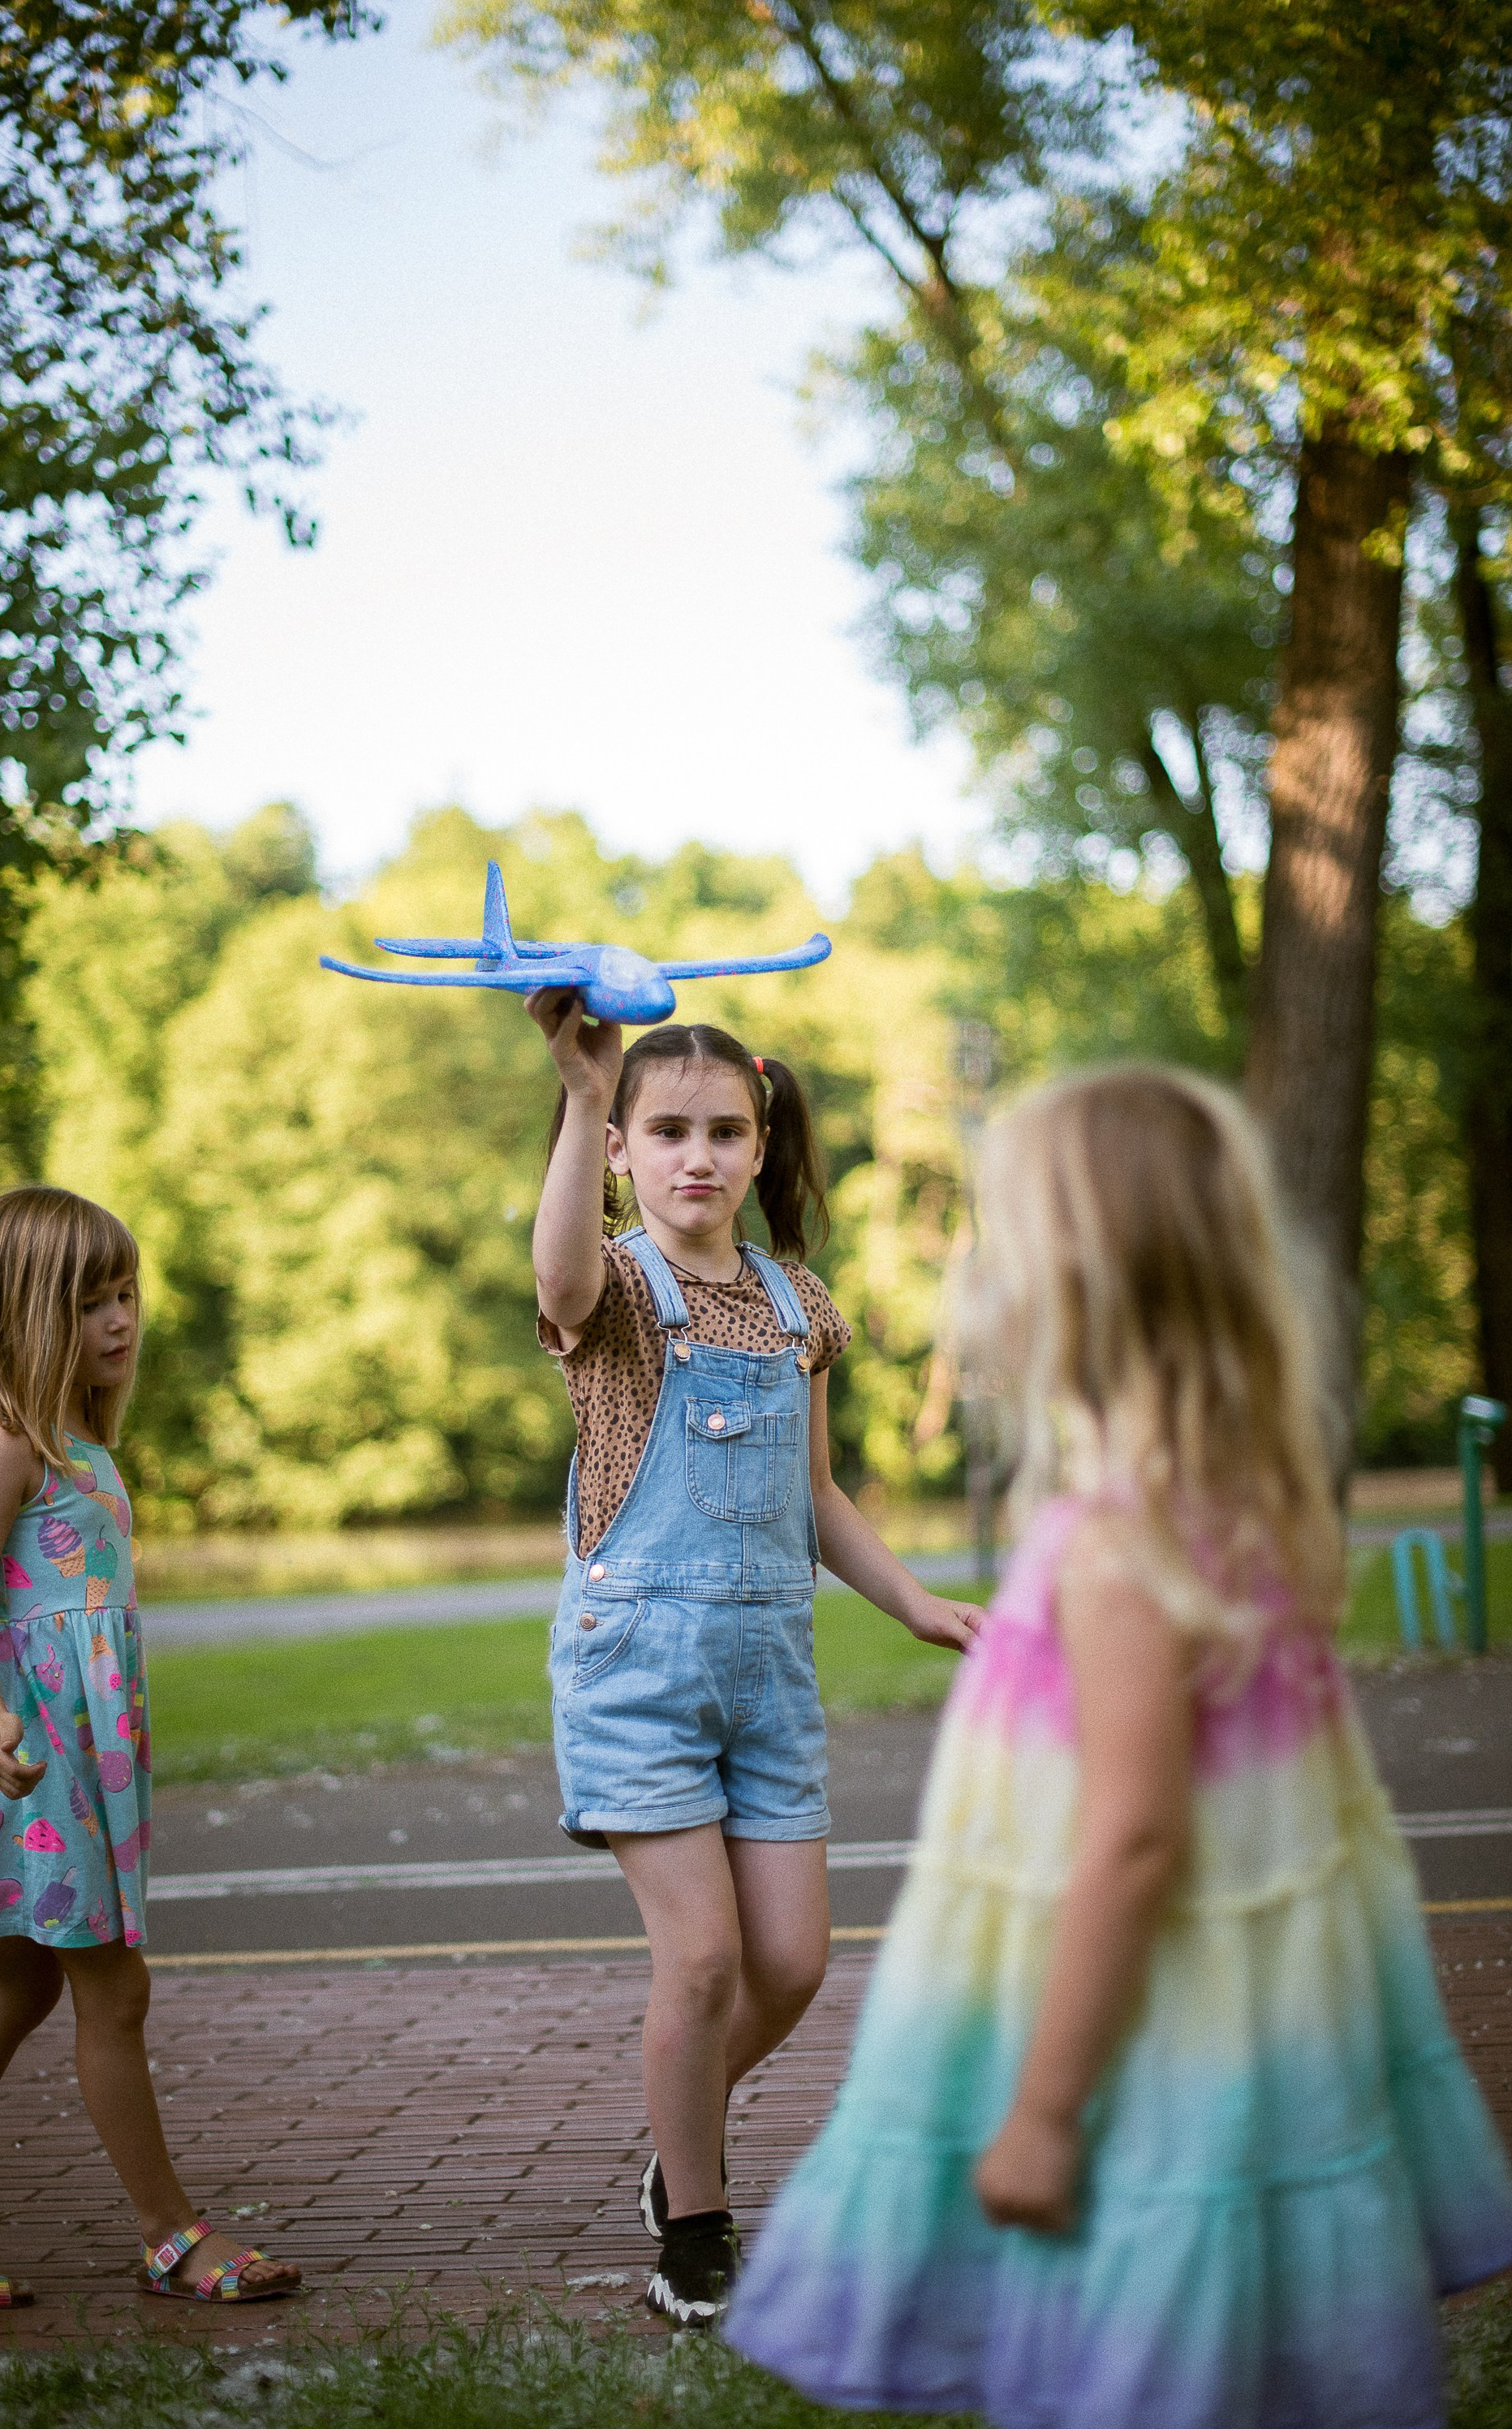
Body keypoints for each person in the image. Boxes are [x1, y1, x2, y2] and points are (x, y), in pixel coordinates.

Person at [726, 1063, 1512, 2424]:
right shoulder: (1232, 1509)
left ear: (1072, 1288)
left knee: (1144, 2360)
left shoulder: (1115, 1552)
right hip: (1246, 2024)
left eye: (1001, 1243)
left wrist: (1040, 2111)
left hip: (1150, 2047)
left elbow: (1137, 1838)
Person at [529, 1001, 979, 2328]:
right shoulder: (613, 1292)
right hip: (639, 1674)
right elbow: (554, 1277)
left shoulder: (799, 1304)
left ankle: (681, 2149)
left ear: (761, 1137)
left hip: (770, 1678)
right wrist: (576, 1088)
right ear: (621, 1149)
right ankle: (699, 2231)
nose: (698, 1158)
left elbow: (818, 1491)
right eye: (666, 1132)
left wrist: (910, 1600)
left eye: (725, 1131)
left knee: (790, 1965)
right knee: (706, 1962)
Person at [0, 1187, 301, 2310]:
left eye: (126, 1293)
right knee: (113, 1994)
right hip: (35, 1764)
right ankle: (169, 2234)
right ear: (23, 1312)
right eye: (89, 1302)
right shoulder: (3, 1450)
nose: (121, 1320)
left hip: (78, 1759)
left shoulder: (80, 1449)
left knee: (14, 1991)